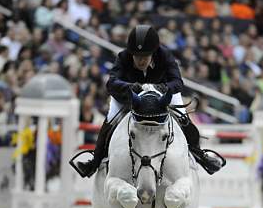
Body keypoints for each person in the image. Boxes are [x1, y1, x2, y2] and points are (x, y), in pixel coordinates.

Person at [71, 24, 226, 178]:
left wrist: (161, 88)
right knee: (110, 119)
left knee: (183, 118)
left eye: (145, 56)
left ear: (153, 52)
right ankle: (94, 161)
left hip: (161, 97)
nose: (141, 60)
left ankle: (200, 156)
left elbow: (177, 82)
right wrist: (131, 87)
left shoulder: (164, 55)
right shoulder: (123, 56)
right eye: (137, 56)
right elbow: (111, 83)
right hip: (130, 97)